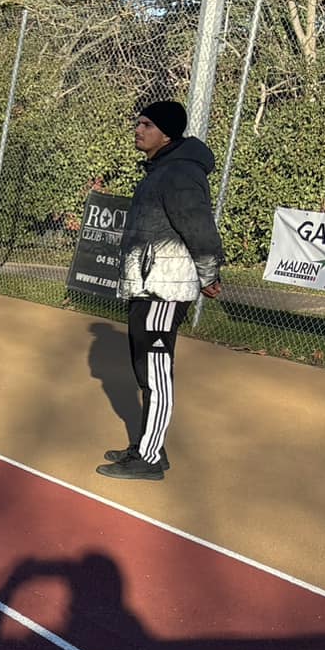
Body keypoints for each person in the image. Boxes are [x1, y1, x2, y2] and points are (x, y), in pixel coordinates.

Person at [98, 99, 222, 482]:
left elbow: (199, 229)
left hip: (165, 288)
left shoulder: (180, 174)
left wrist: (209, 273)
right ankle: (149, 444)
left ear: (166, 133)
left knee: (155, 370)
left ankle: (149, 458)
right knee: (143, 364)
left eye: (146, 124)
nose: (138, 129)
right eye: (138, 123)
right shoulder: (161, 169)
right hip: (148, 284)